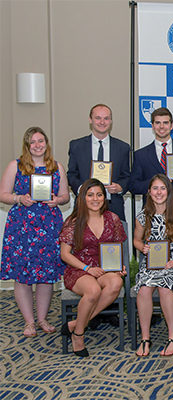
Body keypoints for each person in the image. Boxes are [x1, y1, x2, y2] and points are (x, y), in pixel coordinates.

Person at [0, 127, 70, 337]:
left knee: (46, 275)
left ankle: (42, 318)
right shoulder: (16, 166)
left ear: (46, 143)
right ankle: (29, 322)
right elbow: (3, 194)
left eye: (41, 141)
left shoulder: (57, 167)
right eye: (33, 142)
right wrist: (19, 198)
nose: (37, 145)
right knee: (22, 276)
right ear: (27, 145)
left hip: (48, 226)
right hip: (21, 228)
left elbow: (65, 196)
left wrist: (57, 200)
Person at [59, 179, 127, 357]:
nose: (95, 199)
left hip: (105, 267)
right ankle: (79, 335)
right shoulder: (73, 221)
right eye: (90, 195)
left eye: (99, 195)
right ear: (83, 198)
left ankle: (76, 325)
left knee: (115, 283)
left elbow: (117, 248)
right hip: (79, 268)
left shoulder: (113, 219)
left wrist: (119, 267)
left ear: (105, 198)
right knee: (93, 290)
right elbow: (65, 254)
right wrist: (87, 268)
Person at [133, 174, 173, 357]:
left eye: (162, 188)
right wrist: (142, 247)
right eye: (155, 188)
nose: (159, 192)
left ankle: (172, 337)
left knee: (164, 288)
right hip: (150, 266)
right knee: (144, 290)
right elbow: (136, 240)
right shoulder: (143, 216)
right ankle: (145, 338)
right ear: (149, 192)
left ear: (168, 191)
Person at [67, 104, 131, 220]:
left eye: (106, 118)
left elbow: (126, 176)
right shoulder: (77, 146)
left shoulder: (123, 148)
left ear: (111, 121)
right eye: (98, 118)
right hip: (84, 206)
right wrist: (82, 188)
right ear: (90, 120)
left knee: (117, 238)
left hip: (113, 206)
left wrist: (120, 187)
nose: (102, 122)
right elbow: (71, 174)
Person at [130, 107, 173, 217]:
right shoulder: (141, 155)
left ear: (171, 126)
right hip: (152, 213)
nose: (162, 127)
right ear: (152, 126)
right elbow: (134, 187)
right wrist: (156, 183)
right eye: (158, 123)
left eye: (165, 123)